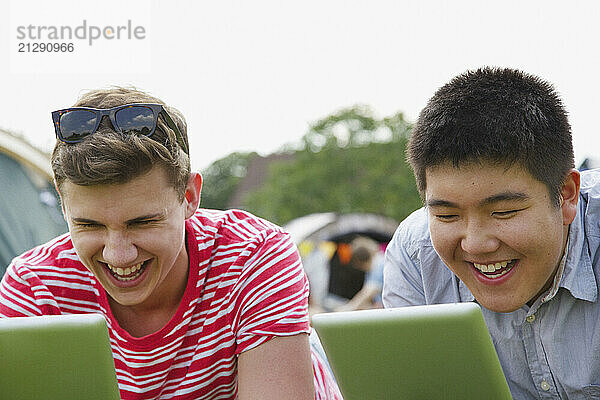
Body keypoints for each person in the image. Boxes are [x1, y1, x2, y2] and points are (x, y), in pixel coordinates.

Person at [0, 87, 341, 400]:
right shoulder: (35, 285)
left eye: (142, 222)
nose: (118, 254)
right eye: (89, 225)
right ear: (62, 202)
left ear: (189, 196)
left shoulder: (255, 255)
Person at [382, 67, 600, 399]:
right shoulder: (416, 255)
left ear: (567, 194)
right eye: (447, 214)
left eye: (503, 212)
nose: (476, 244)